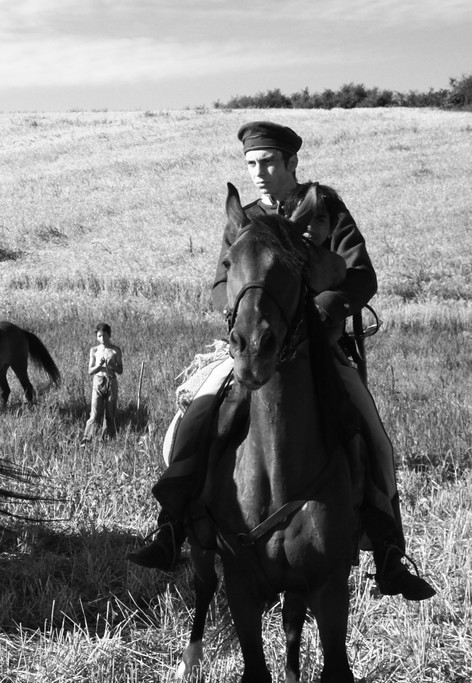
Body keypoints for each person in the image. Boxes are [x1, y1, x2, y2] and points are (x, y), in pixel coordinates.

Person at [129, 121, 435, 602]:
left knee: (374, 437)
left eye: (268, 162)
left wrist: (325, 310)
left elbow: (361, 275)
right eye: (251, 163)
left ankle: (388, 551)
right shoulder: (246, 218)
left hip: (317, 349)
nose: (258, 172)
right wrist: (241, 311)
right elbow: (219, 284)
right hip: (248, 343)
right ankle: (171, 524)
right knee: (197, 415)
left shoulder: (325, 208)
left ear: (292, 163)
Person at [80, 322, 123, 444]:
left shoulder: (115, 350)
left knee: (110, 412)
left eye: (104, 335)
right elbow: (90, 371)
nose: (102, 338)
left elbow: (120, 370)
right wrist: (99, 365)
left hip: (111, 380)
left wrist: (112, 365)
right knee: (95, 413)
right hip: (98, 381)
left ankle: (108, 439)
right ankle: (87, 439)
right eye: (99, 336)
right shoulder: (94, 350)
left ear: (109, 335)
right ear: (96, 337)